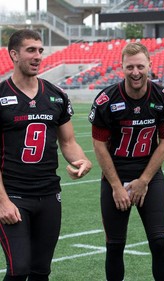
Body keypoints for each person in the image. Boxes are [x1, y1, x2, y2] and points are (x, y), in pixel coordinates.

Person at [0, 29, 92, 281]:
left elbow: (68, 141)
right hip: (14, 195)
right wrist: (2, 201)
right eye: (31, 50)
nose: (38, 56)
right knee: (19, 269)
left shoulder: (56, 95)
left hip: (49, 195)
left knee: (41, 271)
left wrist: (81, 160)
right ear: (14, 55)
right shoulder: (1, 95)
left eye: (41, 50)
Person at [88, 42, 164, 281]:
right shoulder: (107, 99)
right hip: (115, 175)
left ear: (150, 65)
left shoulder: (163, 97)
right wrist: (117, 186)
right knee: (115, 246)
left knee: (159, 243)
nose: (135, 72)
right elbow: (99, 145)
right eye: (130, 67)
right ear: (122, 67)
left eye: (140, 66)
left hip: (149, 176)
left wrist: (144, 180)